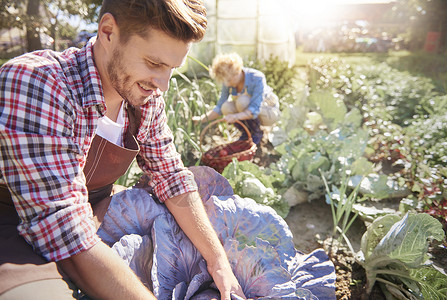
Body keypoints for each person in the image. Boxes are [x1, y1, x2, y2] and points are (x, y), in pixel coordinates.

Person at [0, 0, 245, 299]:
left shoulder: (143, 96)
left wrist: (217, 260)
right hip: (16, 229)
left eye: (172, 68)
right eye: (154, 63)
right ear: (107, 32)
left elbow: (170, 175)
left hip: (92, 217)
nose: (163, 84)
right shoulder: (39, 82)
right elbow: (65, 231)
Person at [193, 52, 280, 145]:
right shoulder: (228, 81)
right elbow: (219, 108)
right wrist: (201, 119)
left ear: (237, 72)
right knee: (225, 107)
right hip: (250, 110)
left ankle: (256, 133)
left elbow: (254, 108)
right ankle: (246, 134)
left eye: (229, 80)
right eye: (225, 81)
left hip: (269, 112)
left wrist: (235, 117)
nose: (227, 84)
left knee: (242, 101)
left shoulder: (257, 78)